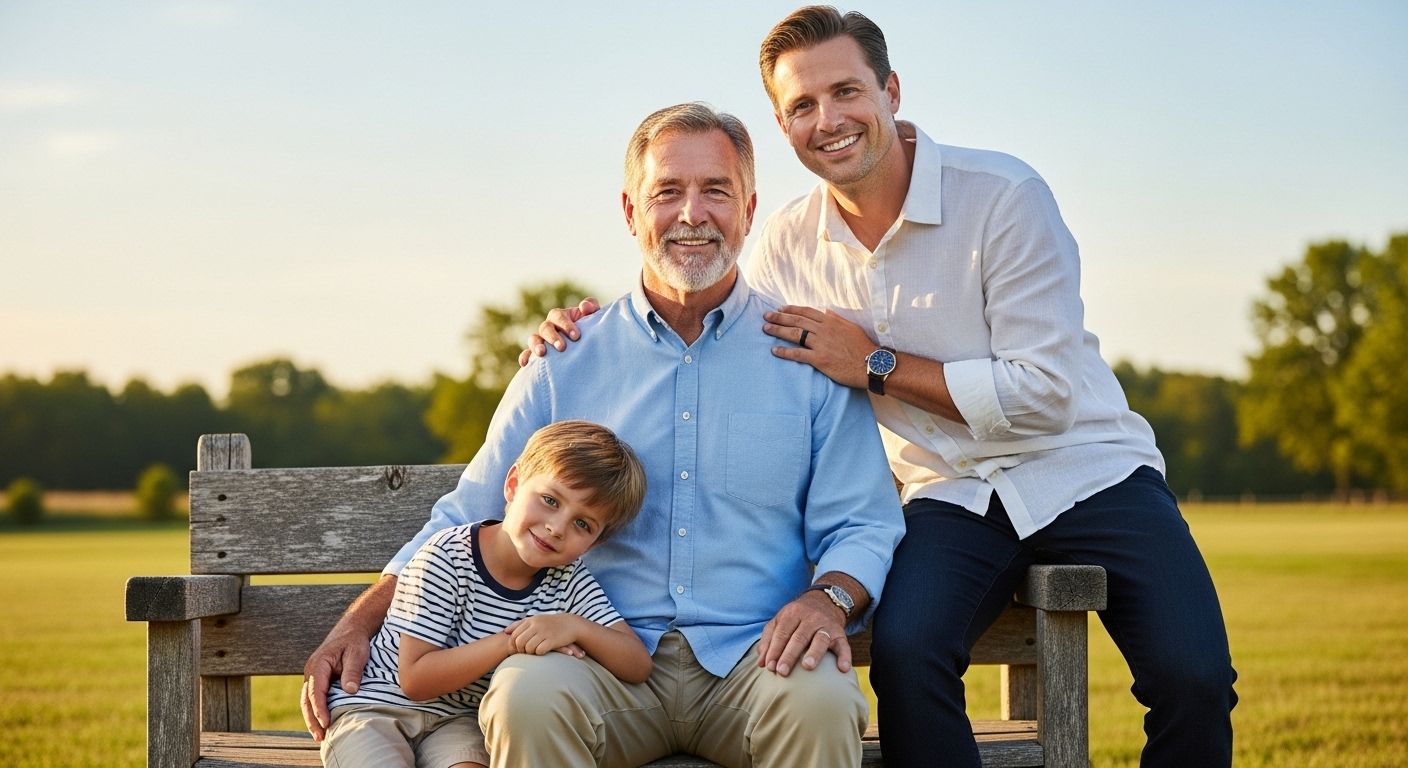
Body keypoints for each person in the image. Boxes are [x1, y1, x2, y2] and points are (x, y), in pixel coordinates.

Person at [523, 7, 1238, 767]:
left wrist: (876, 363)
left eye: (846, 92)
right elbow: (713, 307)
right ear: (782, 123)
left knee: (1193, 677)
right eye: (802, 106)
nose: (827, 120)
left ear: (890, 90)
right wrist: (578, 329)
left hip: (1086, 469)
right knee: (907, 654)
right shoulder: (788, 243)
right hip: (949, 493)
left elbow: (1046, 394)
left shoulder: (1003, 196)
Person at [302, 102, 905, 768]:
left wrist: (828, 598)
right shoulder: (564, 360)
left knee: (823, 701)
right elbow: (468, 514)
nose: (691, 214)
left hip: (756, 658)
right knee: (524, 695)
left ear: (749, 208)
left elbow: (863, 522)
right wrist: (359, 619)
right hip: (594, 659)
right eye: (667, 192)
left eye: (715, 191)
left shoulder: (805, 358)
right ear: (629, 211)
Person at [318, 420, 651, 768]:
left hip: (458, 721)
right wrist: (509, 643)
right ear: (513, 484)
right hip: (376, 706)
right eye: (550, 500)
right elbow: (415, 679)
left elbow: (637, 664)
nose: (557, 528)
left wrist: (575, 627)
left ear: (594, 544)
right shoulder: (447, 556)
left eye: (583, 524)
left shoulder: (569, 580)